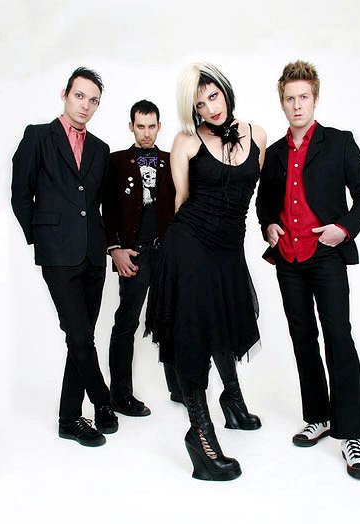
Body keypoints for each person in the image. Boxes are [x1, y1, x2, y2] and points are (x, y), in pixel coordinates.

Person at [256, 60, 360, 479]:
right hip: (288, 258)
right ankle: (318, 416)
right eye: (289, 98)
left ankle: (352, 435)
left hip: (326, 255)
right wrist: (267, 225)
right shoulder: (273, 153)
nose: (296, 105)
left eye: (303, 97)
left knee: (338, 338)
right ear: (282, 102)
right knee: (302, 338)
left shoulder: (339, 142)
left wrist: (344, 228)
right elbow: (263, 203)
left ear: (315, 98)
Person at [147, 62, 266, 481]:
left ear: (226, 91)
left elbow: (256, 194)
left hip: (229, 250)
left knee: (226, 322)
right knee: (195, 334)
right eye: (200, 104)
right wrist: (170, 258)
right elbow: (180, 200)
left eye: (213, 96)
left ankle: (232, 401)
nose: (210, 108)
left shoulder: (257, 134)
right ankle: (200, 435)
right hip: (191, 245)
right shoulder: (186, 141)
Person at [11, 67, 118, 447]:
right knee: (78, 334)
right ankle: (102, 400)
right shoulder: (38, 137)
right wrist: (41, 238)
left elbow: (100, 203)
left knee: (82, 337)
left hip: (93, 254)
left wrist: (109, 244)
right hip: (57, 255)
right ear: (65, 94)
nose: (85, 105)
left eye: (93, 100)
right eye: (79, 96)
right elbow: (20, 195)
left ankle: (69, 418)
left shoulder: (101, 149)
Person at [102, 99, 182, 417]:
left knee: (173, 318)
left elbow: (183, 204)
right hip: (134, 253)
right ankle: (120, 395)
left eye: (151, 126)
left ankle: (179, 388)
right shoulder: (116, 161)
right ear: (131, 126)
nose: (146, 133)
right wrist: (115, 249)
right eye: (140, 126)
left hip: (167, 252)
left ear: (159, 126)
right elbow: (107, 209)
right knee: (127, 321)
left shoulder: (171, 160)